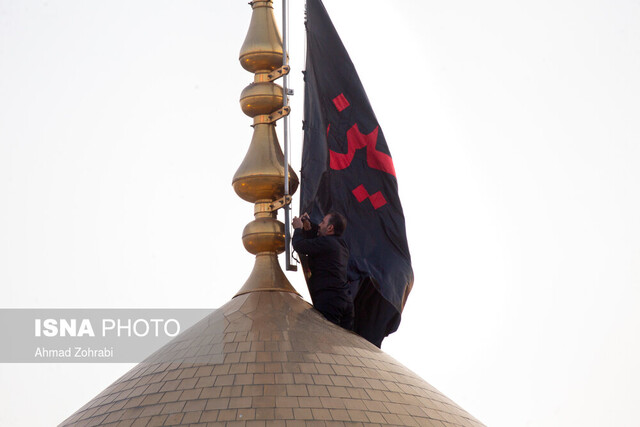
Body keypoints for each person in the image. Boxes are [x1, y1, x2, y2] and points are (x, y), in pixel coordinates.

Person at [292, 212, 354, 330]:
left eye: (323, 222)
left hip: (330, 300)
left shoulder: (327, 243)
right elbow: (317, 241)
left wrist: (298, 229)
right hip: (345, 301)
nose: (319, 225)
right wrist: (309, 225)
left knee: (325, 338)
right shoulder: (341, 244)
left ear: (330, 228)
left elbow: (299, 245)